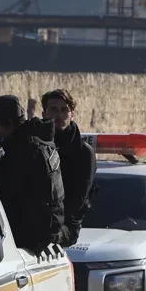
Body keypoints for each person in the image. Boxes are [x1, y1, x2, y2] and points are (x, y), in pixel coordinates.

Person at [0, 95, 66, 252]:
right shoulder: (40, 143)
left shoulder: (23, 151)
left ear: (9, 123)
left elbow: (9, 196)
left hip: (27, 238)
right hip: (44, 231)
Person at [41, 89, 96, 246]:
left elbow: (77, 199)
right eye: (53, 109)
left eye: (64, 110)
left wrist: (52, 219)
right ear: (44, 113)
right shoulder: (35, 145)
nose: (58, 115)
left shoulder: (83, 153)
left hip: (65, 225)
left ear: (72, 115)